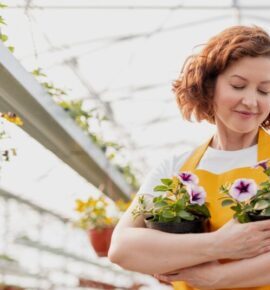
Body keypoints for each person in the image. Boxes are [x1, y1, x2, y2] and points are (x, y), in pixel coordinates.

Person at [108, 25, 270, 290]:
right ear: (209, 86)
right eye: (238, 85)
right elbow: (122, 247)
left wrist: (217, 278)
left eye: (265, 91)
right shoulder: (175, 168)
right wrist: (219, 245)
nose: (251, 101)